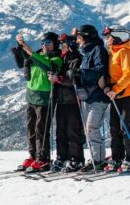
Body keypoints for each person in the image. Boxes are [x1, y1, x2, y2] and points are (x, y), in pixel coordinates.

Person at [15, 32, 62, 172]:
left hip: (45, 97)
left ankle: (43, 158)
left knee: (41, 129)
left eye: (48, 42)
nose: (44, 45)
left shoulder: (56, 59)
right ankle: (33, 154)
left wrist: (30, 52)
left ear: (54, 44)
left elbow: (47, 65)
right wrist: (20, 46)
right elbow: (22, 60)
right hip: (31, 96)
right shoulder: (37, 55)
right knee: (30, 128)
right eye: (43, 42)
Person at [70, 25, 110, 172]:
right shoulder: (86, 51)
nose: (77, 40)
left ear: (86, 37)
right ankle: (94, 158)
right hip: (88, 96)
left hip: (98, 96)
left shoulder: (97, 50)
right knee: (88, 129)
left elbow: (100, 69)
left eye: (79, 37)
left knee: (92, 127)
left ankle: (98, 160)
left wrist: (81, 73)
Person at [48, 34, 85, 172]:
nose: (61, 48)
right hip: (61, 100)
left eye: (64, 45)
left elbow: (76, 80)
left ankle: (77, 159)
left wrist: (59, 79)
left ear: (70, 46)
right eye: (61, 45)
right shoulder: (63, 59)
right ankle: (62, 156)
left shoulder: (77, 59)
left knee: (73, 131)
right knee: (61, 131)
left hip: (73, 100)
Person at [101, 25, 130, 173]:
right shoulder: (113, 52)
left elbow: (128, 75)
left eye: (109, 37)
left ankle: (129, 158)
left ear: (118, 37)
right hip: (116, 95)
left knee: (125, 128)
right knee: (114, 128)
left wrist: (115, 89)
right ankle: (117, 157)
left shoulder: (124, 51)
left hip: (126, 95)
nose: (107, 39)